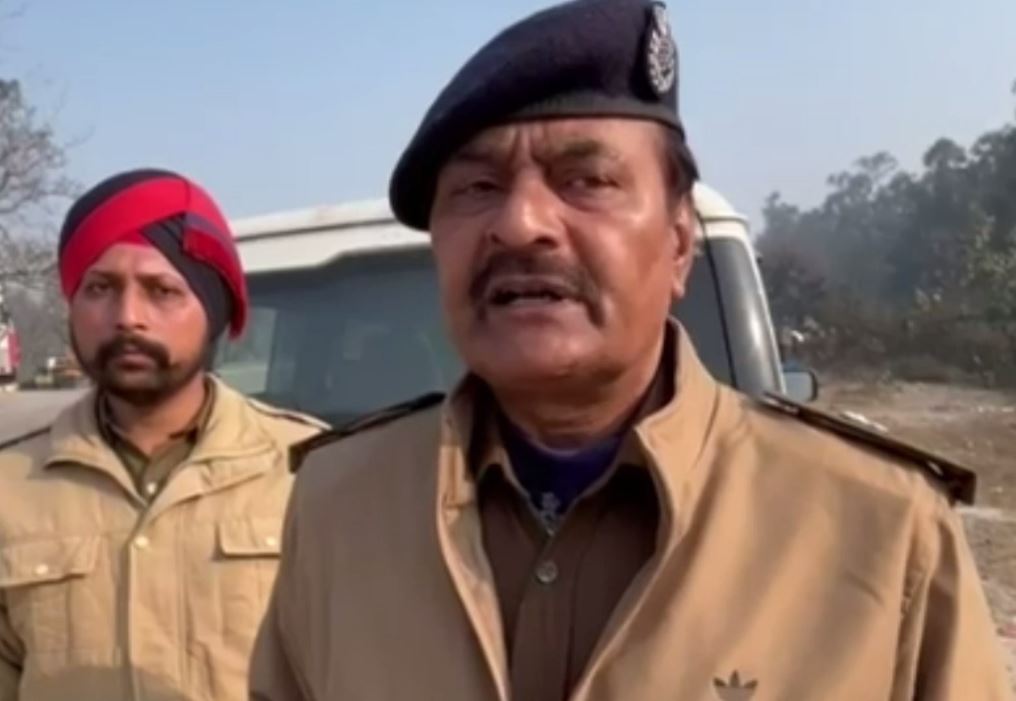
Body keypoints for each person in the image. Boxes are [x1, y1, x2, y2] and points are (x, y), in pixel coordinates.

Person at [250, 1, 1013, 699]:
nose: (520, 224)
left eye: (585, 179)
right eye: (477, 188)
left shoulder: (883, 529)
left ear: (678, 246)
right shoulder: (338, 505)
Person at [0, 169, 325, 701]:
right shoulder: (10, 486)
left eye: (162, 291)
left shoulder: (310, 471)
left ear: (213, 311)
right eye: (100, 288)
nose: (127, 317)